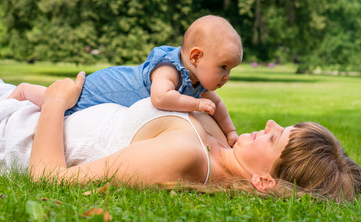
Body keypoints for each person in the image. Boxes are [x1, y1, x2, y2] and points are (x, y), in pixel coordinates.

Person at [2, 74, 361, 202]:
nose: (268, 123)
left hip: (14, 133)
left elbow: (49, 178)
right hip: (23, 111)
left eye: (273, 139)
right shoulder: (222, 142)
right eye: (281, 126)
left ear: (264, 180)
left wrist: (54, 102)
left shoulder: (184, 153)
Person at [7, 15, 243, 146]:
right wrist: (196, 105)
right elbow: (160, 98)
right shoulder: (169, 70)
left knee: (70, 115)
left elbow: (219, 106)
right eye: (223, 67)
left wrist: (231, 132)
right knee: (68, 103)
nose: (226, 77)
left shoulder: (197, 81)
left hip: (112, 104)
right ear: (196, 56)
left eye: (230, 69)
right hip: (102, 90)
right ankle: (26, 90)